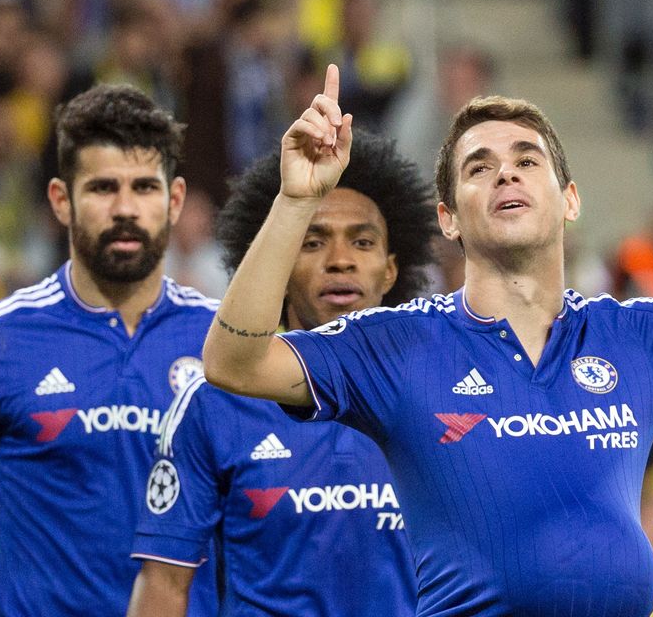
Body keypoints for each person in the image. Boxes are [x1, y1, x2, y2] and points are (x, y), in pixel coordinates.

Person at [202, 53, 653, 616]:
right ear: (449, 218)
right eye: (479, 167)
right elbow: (235, 362)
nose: (506, 173)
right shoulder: (396, 345)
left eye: (526, 159)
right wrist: (295, 200)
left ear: (569, 199)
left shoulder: (639, 334)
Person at [0, 84, 217, 615]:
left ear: (175, 199)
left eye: (144, 187)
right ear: (61, 201)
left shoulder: (226, 349)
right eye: (103, 187)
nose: (126, 209)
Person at [127, 131, 433, 616]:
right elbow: (165, 584)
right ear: (279, 265)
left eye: (362, 241)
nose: (340, 260)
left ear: (391, 270)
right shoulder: (213, 401)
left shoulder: (441, 393)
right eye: (313, 241)